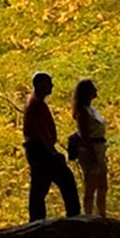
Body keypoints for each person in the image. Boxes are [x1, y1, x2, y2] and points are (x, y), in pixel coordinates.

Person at [22, 71, 79, 221]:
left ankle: (36, 220)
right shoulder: (36, 104)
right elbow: (41, 133)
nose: (52, 86)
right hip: (40, 150)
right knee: (65, 179)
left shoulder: (36, 103)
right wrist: (53, 152)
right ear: (40, 84)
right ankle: (73, 217)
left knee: (40, 186)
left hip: (37, 150)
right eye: (49, 83)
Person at [68, 78, 108, 217]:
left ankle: (102, 214)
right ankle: (89, 215)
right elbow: (85, 136)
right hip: (90, 150)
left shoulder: (92, 110)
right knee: (91, 185)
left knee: (103, 185)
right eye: (93, 88)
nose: (96, 91)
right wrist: (92, 154)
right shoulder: (82, 112)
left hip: (100, 148)